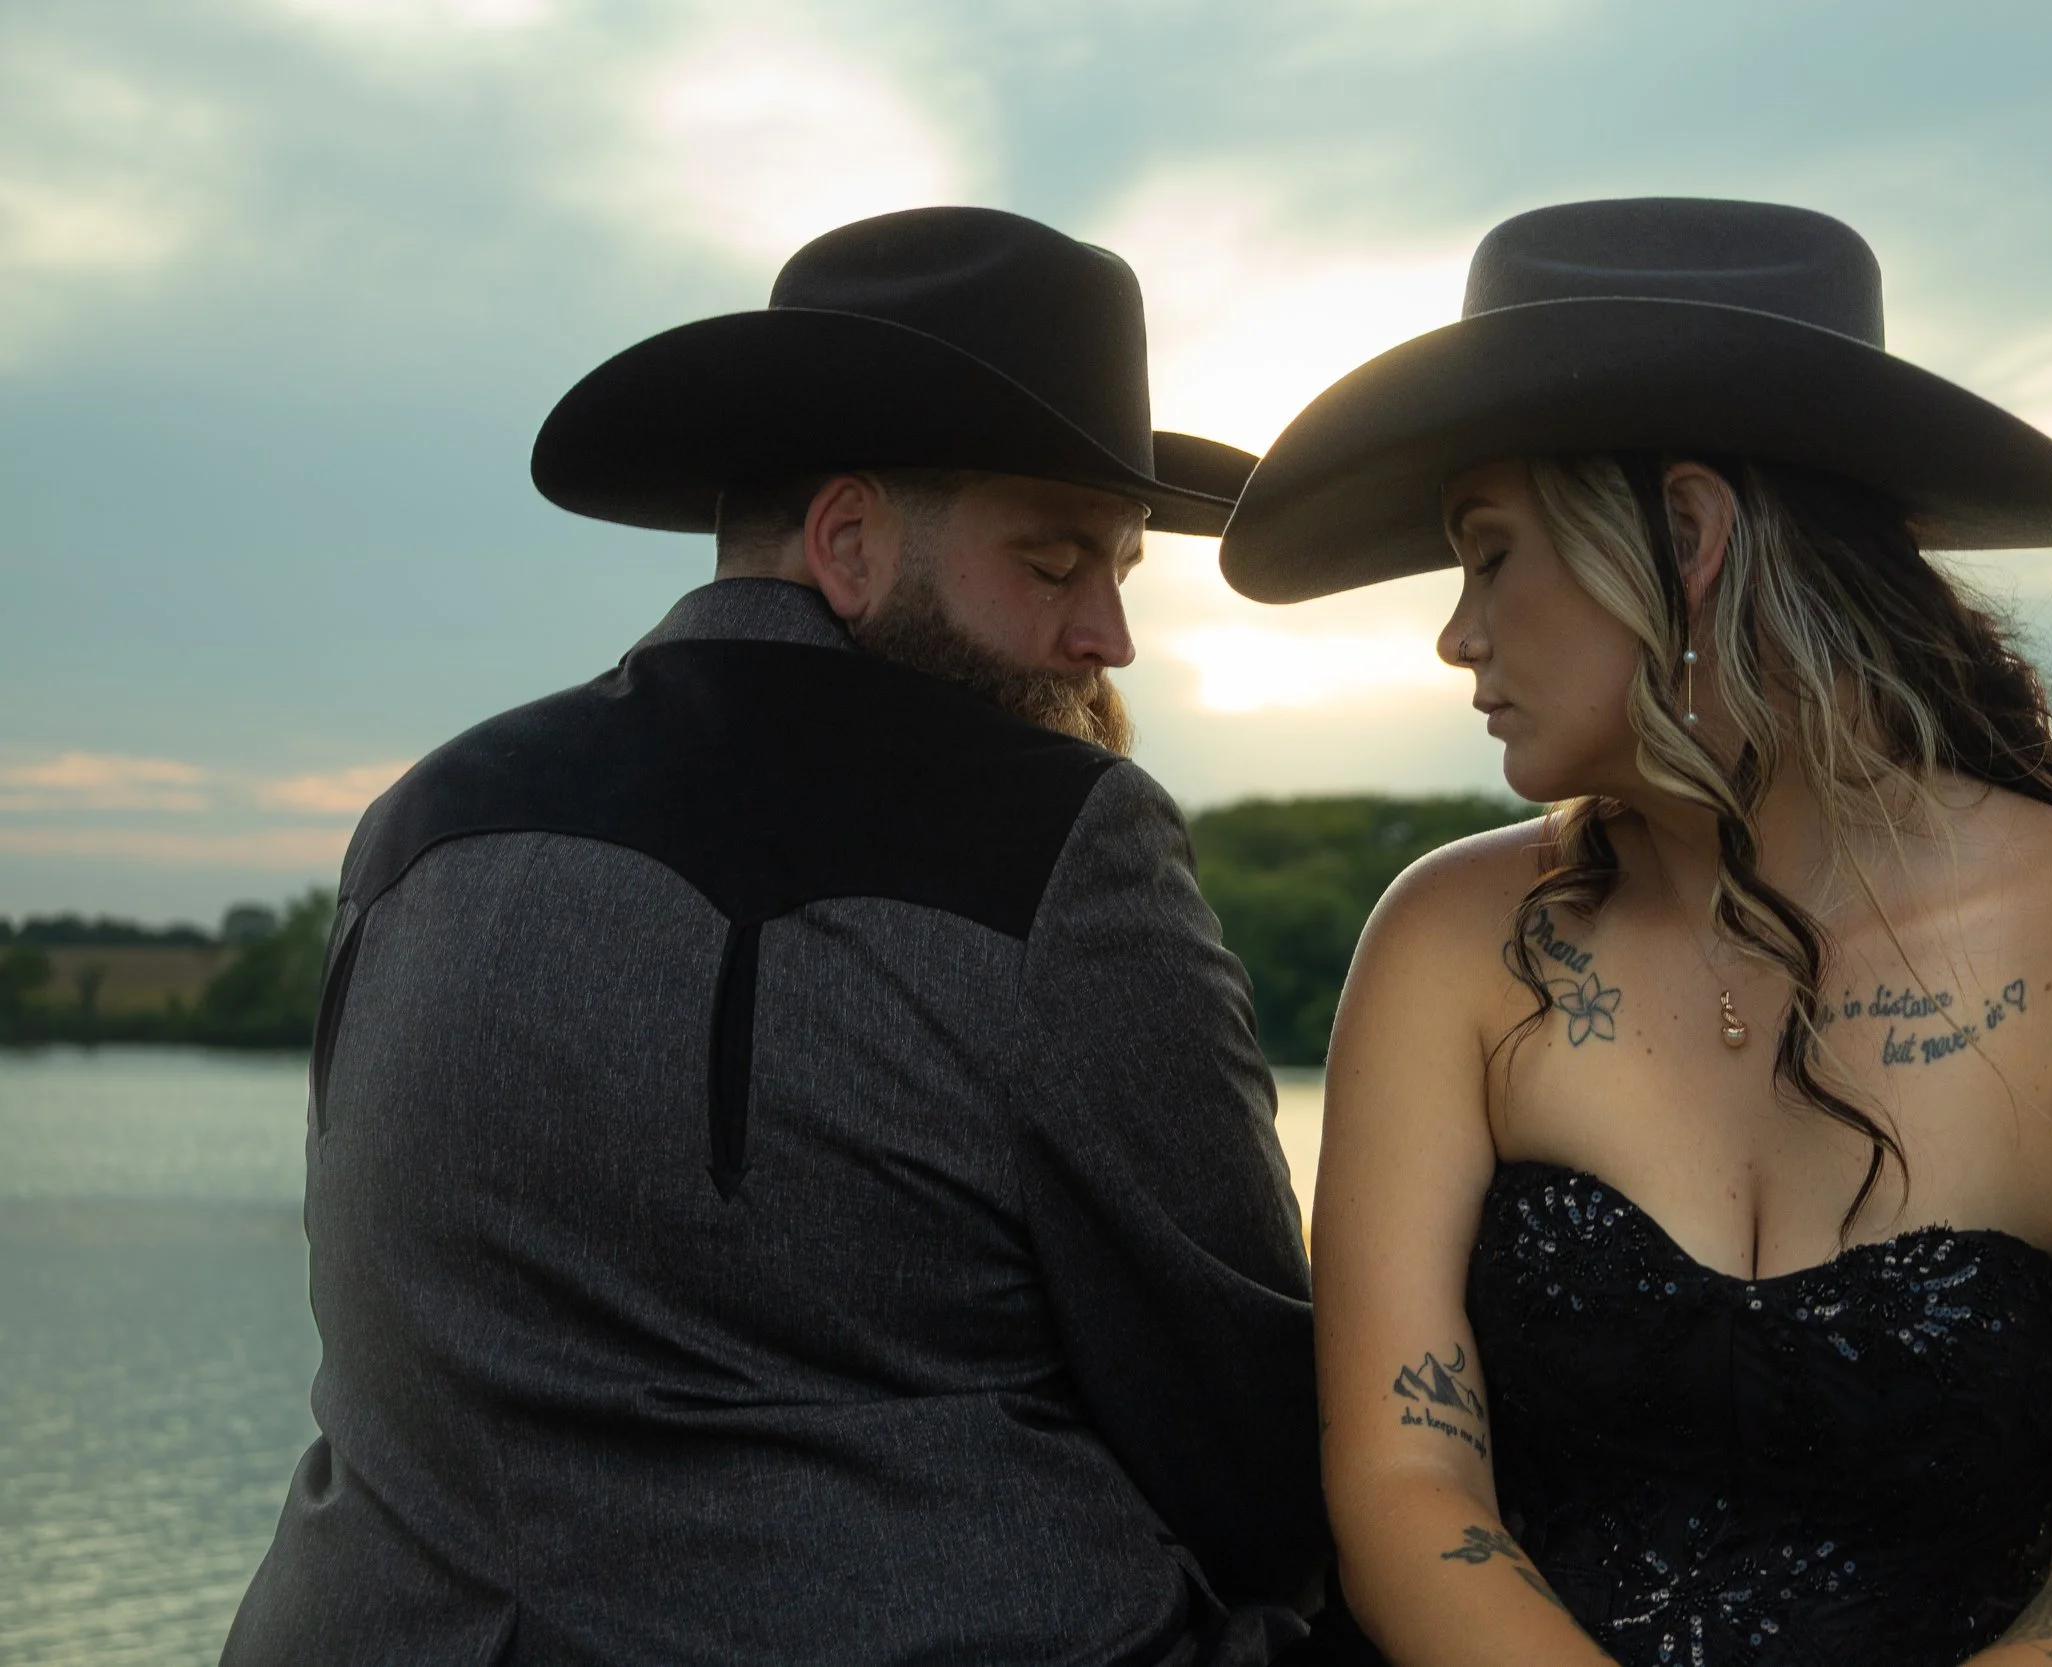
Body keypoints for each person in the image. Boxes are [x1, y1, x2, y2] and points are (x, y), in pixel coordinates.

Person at [224, 206, 1327, 1667]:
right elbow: (1242, 1423)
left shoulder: (417, 822)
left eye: (1122, 567)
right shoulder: (1066, 841)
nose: (1109, 634)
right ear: (850, 541)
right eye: (1058, 563)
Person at [1221, 199, 2052, 1667]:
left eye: (1490, 552)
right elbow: (1408, 1487)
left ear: (1691, 535)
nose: (1457, 633)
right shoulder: (1448, 943)